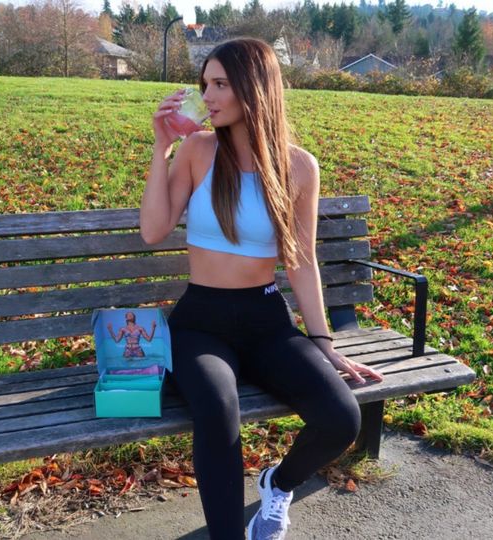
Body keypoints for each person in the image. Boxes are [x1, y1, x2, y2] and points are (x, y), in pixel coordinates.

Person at [139, 38, 384, 540]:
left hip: (266, 321)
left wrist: (324, 344)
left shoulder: (298, 166)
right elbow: (153, 231)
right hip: (200, 324)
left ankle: (278, 483)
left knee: (340, 418)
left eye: (220, 84)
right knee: (218, 409)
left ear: (255, 88)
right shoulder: (197, 150)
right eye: (205, 83)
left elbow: (301, 261)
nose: (207, 95)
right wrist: (160, 146)